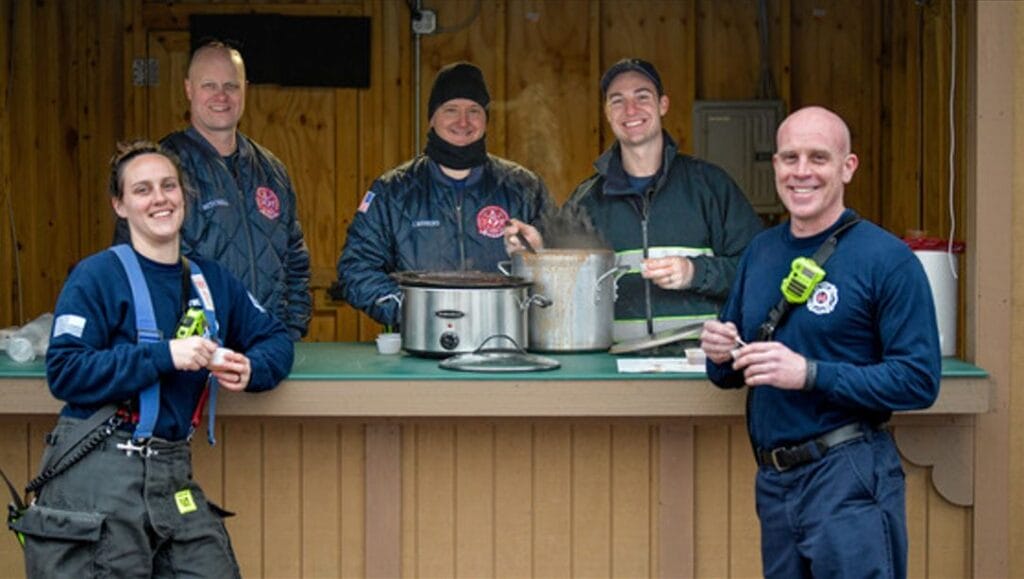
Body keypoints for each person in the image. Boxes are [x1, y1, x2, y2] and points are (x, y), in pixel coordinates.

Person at [14, 141, 293, 577]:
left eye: (168, 186)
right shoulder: (96, 276)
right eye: (142, 190)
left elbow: (276, 339)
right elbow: (66, 373)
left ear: (184, 195)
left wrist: (252, 367)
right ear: (120, 205)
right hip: (101, 470)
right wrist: (163, 355)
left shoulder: (211, 281)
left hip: (172, 472)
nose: (159, 198)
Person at [700, 106, 941, 578]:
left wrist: (809, 373)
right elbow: (729, 372)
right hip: (775, 483)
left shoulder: (886, 258)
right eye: (790, 158)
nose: (802, 172)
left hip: (848, 475)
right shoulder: (761, 251)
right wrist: (721, 351)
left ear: (848, 167)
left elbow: (918, 380)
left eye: (818, 157)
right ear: (775, 166)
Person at [505, 58, 762, 343]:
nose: (630, 110)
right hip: (614, 365)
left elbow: (759, 273)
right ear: (606, 112)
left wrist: (695, 272)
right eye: (617, 101)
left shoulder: (711, 186)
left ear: (663, 105)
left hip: (698, 363)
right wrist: (539, 253)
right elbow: (563, 290)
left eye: (642, 97)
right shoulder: (586, 201)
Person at [114, 41, 312, 341]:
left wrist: (290, 332)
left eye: (231, 85)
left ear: (245, 89)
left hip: (265, 351)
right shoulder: (162, 167)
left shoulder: (271, 171)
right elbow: (134, 263)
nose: (221, 96)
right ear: (189, 89)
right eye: (209, 85)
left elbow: (295, 258)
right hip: (189, 358)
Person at [336, 61, 553, 327]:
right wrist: (415, 313)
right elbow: (356, 269)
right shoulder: (392, 190)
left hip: (505, 341)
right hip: (419, 348)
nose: (463, 121)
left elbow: (562, 269)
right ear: (432, 118)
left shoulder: (523, 187)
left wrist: (538, 252)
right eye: (451, 110)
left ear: (485, 120)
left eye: (474, 110)